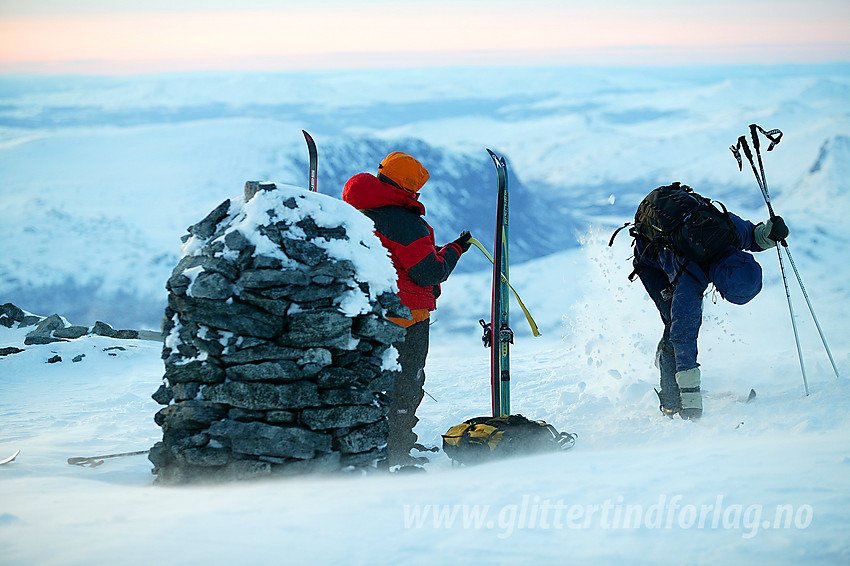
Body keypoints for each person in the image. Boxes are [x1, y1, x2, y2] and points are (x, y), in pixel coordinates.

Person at [342, 151, 471, 465]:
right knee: (407, 384)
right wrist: (456, 249)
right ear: (409, 189)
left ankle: (371, 444)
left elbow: (401, 258)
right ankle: (399, 448)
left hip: (364, 314)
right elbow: (428, 272)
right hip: (407, 317)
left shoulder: (354, 210)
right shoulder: (405, 222)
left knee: (372, 382)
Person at [631, 185, 789, 420]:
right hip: (650, 262)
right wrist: (691, 398)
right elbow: (683, 336)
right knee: (674, 327)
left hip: (671, 235)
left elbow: (754, 235)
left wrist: (771, 233)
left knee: (679, 324)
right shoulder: (690, 279)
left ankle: (674, 377)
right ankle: (672, 399)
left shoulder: (730, 232)